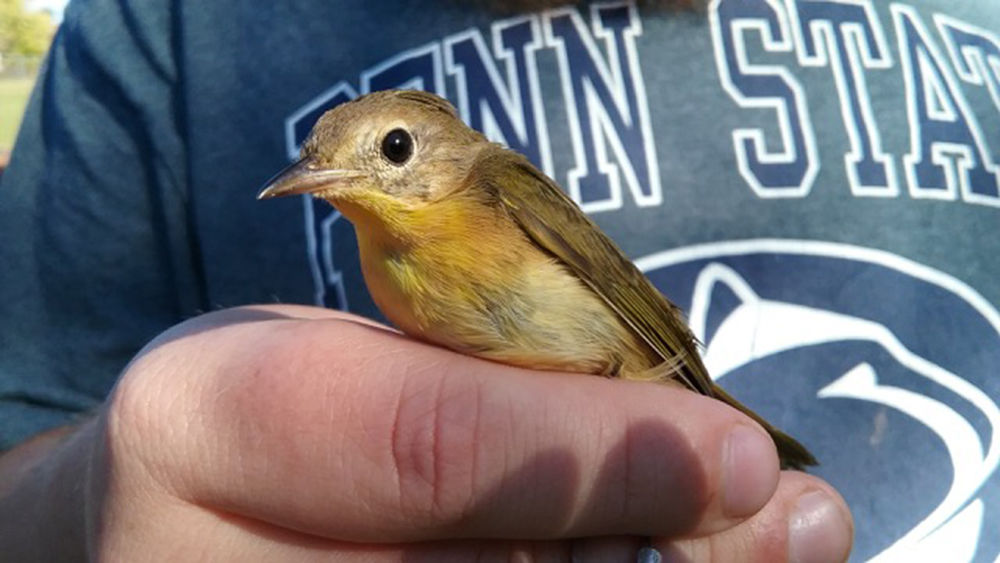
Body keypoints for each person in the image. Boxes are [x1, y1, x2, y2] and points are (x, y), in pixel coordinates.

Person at [4, 0, 994, 559]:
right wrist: (73, 505)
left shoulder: (497, 185)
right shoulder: (168, 33)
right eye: (325, 163)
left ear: (438, 152)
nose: (342, 177)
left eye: (389, 150)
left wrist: (679, 377)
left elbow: (617, 290)